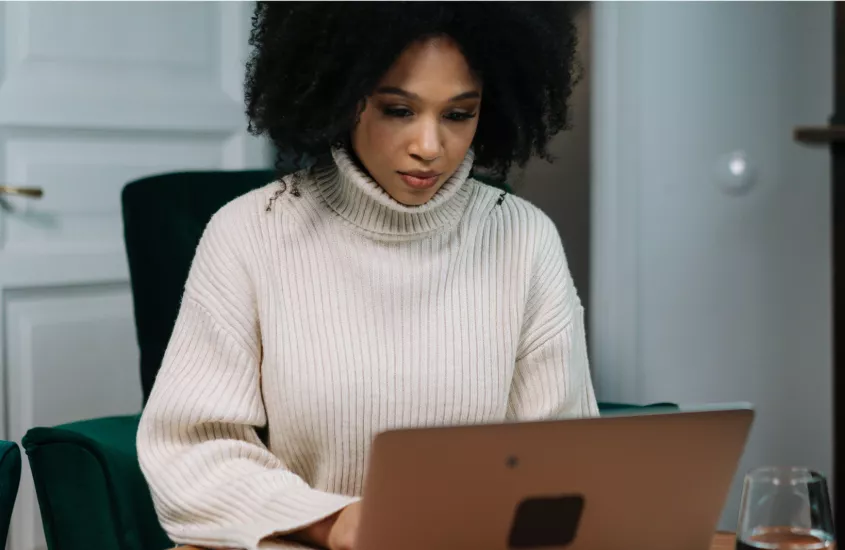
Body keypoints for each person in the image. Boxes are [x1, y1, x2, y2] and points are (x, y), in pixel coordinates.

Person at [136, 2, 598, 550]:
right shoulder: (246, 233)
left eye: (458, 114)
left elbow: (562, 456)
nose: (430, 147)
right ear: (340, 93)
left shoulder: (523, 237)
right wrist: (335, 522)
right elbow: (191, 453)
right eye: (398, 110)